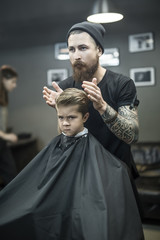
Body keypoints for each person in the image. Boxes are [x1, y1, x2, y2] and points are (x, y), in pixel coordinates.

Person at [0, 88, 144, 239]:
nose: (65, 123)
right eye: (60, 118)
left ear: (85, 117)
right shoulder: (55, 146)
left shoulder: (98, 154)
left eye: (71, 117)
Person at [43, 21, 140, 180]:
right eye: (71, 49)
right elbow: (64, 137)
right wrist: (62, 113)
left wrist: (102, 106)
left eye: (83, 48)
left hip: (116, 172)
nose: (76, 55)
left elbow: (132, 135)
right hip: (81, 170)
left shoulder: (122, 84)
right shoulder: (65, 87)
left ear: (99, 50)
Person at [0, 65, 18, 188]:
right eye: (13, 82)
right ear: (3, 80)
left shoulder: (4, 97)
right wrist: (6, 136)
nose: (14, 85)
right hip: (2, 139)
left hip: (2, 143)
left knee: (11, 176)